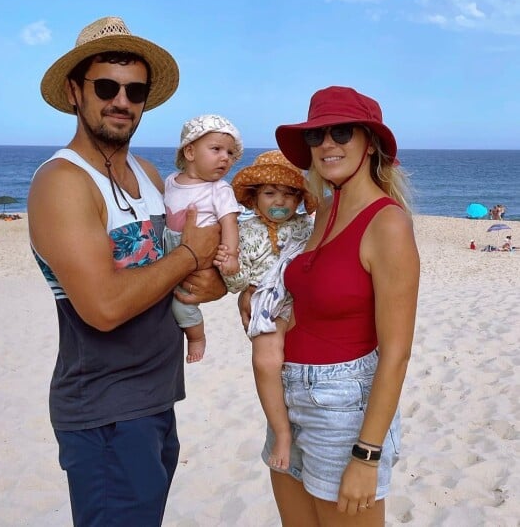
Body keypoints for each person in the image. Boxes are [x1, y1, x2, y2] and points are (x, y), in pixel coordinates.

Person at [27, 16, 227, 526]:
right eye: (107, 86)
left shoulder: (149, 174)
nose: (122, 100)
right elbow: (105, 307)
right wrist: (188, 257)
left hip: (155, 400)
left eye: (134, 89)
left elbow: (181, 267)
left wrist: (210, 279)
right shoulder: (62, 183)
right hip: (104, 412)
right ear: (75, 91)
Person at [241, 86, 420, 526]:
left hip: (344, 411)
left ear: (370, 142)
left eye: (341, 132)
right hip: (288, 397)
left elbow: (395, 354)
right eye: (316, 135)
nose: (326, 144)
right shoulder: (318, 212)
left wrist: (367, 454)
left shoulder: (387, 222)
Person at [219, 150, 318, 471]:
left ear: (300, 200)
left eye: (290, 194)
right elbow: (238, 283)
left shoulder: (306, 227)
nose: (281, 201)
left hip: (301, 298)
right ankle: (282, 432)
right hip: (266, 299)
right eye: (270, 193)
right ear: (254, 198)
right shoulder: (244, 233)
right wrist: (231, 267)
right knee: (265, 361)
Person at [163, 113, 243, 362]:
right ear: (190, 152)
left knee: (183, 303)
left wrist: (230, 254)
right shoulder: (170, 182)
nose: (225, 158)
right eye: (216, 149)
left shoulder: (219, 189)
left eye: (230, 154)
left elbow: (229, 223)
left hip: (200, 257)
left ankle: (196, 337)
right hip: (169, 249)